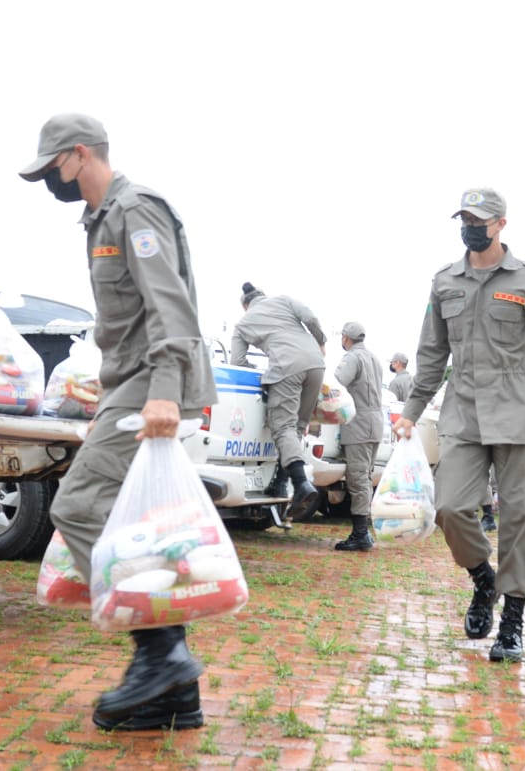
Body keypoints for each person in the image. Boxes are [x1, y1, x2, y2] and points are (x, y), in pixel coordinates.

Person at [19, 112, 216, 731]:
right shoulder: (100, 219)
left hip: (151, 384)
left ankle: (160, 654)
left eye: (54, 167)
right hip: (128, 384)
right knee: (138, 519)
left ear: (81, 154)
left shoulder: (135, 209)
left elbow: (170, 305)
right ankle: (175, 693)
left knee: (77, 507)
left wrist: (161, 391)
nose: (51, 179)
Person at [394, 188, 525, 664]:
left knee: (520, 518)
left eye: (479, 219)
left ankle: (513, 622)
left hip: (518, 413)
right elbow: (431, 355)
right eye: (464, 218)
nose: (470, 226)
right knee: (451, 508)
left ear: (501, 223)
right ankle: (484, 579)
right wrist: (410, 413)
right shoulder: (445, 282)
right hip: (462, 412)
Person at [230, 283, 326, 522]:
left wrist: (259, 371)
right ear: (263, 296)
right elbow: (310, 317)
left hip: (286, 367)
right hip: (316, 363)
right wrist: (321, 342)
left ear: (245, 306)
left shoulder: (243, 324)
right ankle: (281, 485)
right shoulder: (283, 300)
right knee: (296, 428)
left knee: (282, 427)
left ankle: (301, 483)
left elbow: (238, 361)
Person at [332, 322, 384, 551]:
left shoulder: (352, 358)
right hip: (375, 423)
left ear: (346, 338)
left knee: (358, 478)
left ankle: (361, 533)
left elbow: (337, 382)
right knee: (366, 476)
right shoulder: (374, 358)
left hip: (359, 424)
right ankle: (362, 532)